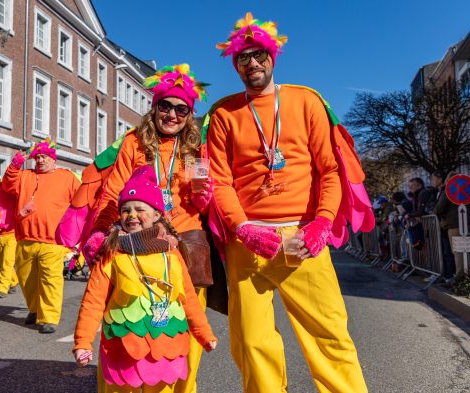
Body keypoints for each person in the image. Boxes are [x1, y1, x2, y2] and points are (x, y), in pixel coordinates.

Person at [206, 13, 368, 392]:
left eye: (259, 54)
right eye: (243, 58)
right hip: (248, 243)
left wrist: (323, 223)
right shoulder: (223, 114)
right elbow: (220, 181)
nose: (252, 64)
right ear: (235, 64)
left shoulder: (305, 100)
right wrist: (242, 228)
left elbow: (330, 170)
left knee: (329, 336)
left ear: (272, 56)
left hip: (304, 237)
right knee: (251, 342)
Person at [70, 64, 213, 393]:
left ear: (189, 114)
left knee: (183, 325)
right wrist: (100, 231)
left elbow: (200, 202)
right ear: (155, 107)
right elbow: (112, 191)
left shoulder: (195, 149)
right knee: (124, 319)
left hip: (182, 244)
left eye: (181, 109)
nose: (172, 114)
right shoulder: (134, 143)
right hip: (134, 240)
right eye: (165, 106)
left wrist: (205, 196)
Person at [73, 165, 217, 393]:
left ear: (157, 215)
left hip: (165, 342)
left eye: (140, 209)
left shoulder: (171, 252)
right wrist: (83, 341)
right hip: (123, 344)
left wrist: (204, 333)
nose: (131, 216)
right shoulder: (112, 252)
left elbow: (188, 297)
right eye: (125, 210)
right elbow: (93, 300)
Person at [1, 138, 80, 333]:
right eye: (37, 157)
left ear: (53, 159)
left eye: (44, 157)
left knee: (50, 279)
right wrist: (15, 164)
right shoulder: (25, 175)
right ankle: (35, 309)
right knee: (26, 279)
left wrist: (75, 234)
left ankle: (49, 317)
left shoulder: (67, 177)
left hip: (53, 241)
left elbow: (80, 203)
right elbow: (7, 184)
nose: (40, 160)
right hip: (25, 238)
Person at [434, 173, 470, 280]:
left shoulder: (448, 191)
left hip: (453, 225)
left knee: (458, 250)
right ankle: (469, 273)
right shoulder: (466, 191)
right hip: (466, 223)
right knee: (467, 249)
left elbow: (439, 209)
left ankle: (460, 276)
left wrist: (434, 211)